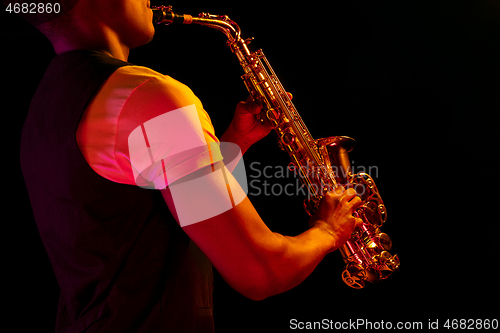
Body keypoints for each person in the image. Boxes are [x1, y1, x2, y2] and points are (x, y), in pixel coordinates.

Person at [13, 1, 362, 332]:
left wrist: (232, 145)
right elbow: (261, 273)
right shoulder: (148, 95)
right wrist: (328, 232)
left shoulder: (44, 108)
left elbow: (126, 212)